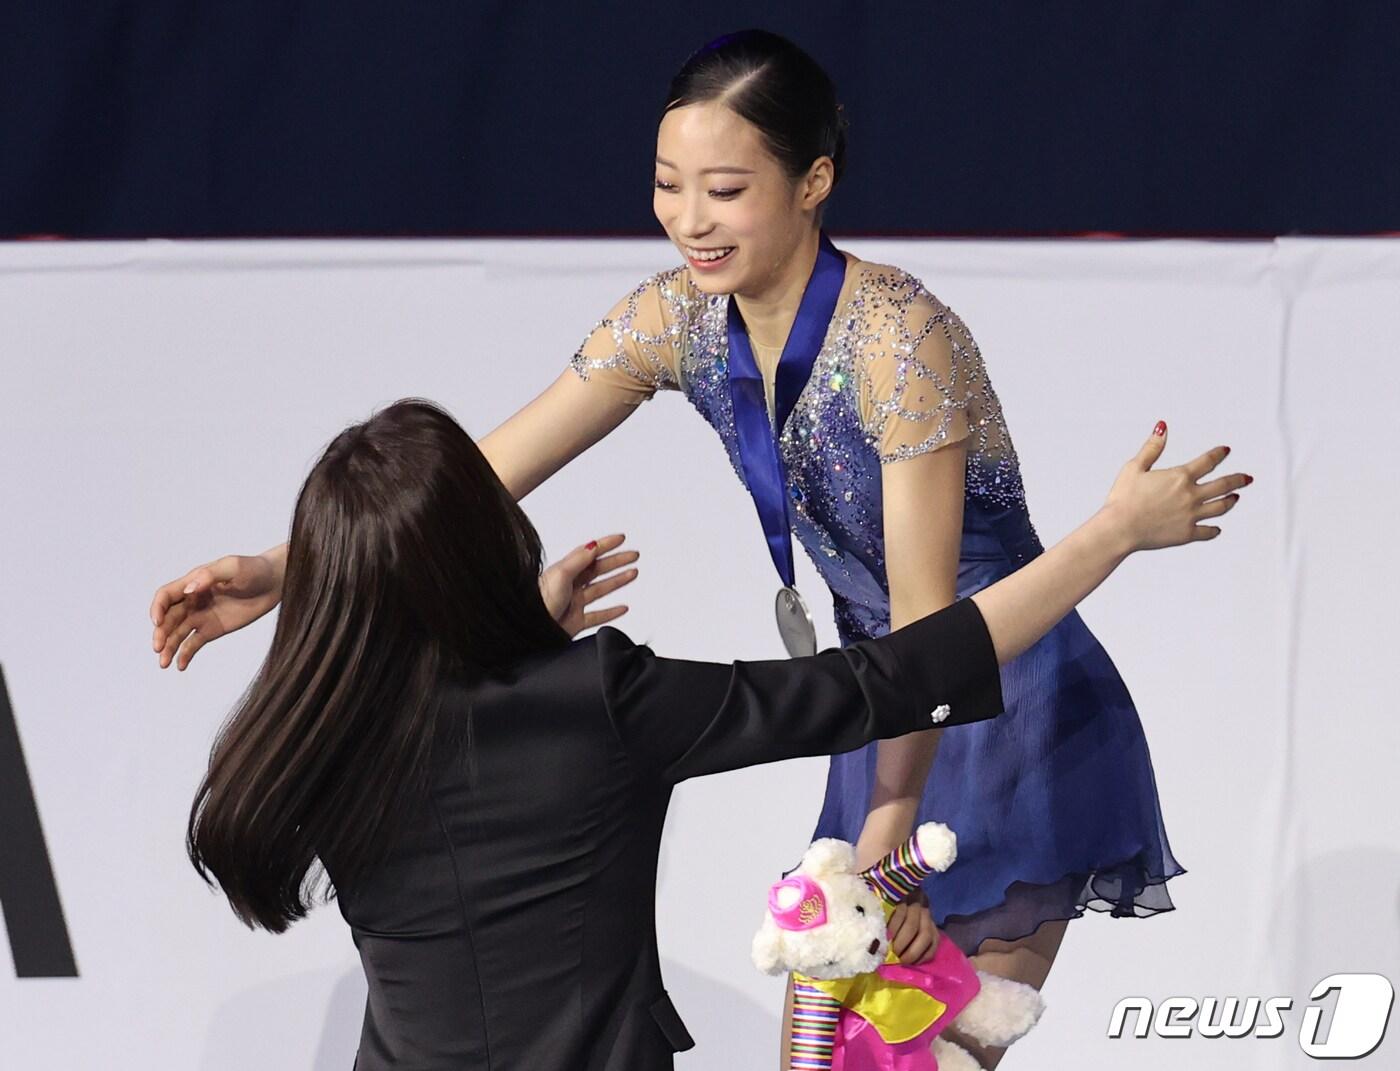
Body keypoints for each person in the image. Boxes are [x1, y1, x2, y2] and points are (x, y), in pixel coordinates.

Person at [150, 31, 1254, 1068]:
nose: (689, 218)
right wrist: (285, 567)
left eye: (724, 190)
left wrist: (888, 842)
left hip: (997, 699)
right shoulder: (673, 319)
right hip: (870, 709)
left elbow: (925, 635)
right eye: (668, 184)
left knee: (913, 1057)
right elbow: (468, 483)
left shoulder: (896, 338)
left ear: (811, 183)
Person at [185, 399, 1241, 1071]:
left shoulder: (316, 732)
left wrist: (514, 650)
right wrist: (1109, 535)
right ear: (486, 547)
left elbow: (457, 766)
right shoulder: (600, 699)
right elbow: (893, 678)